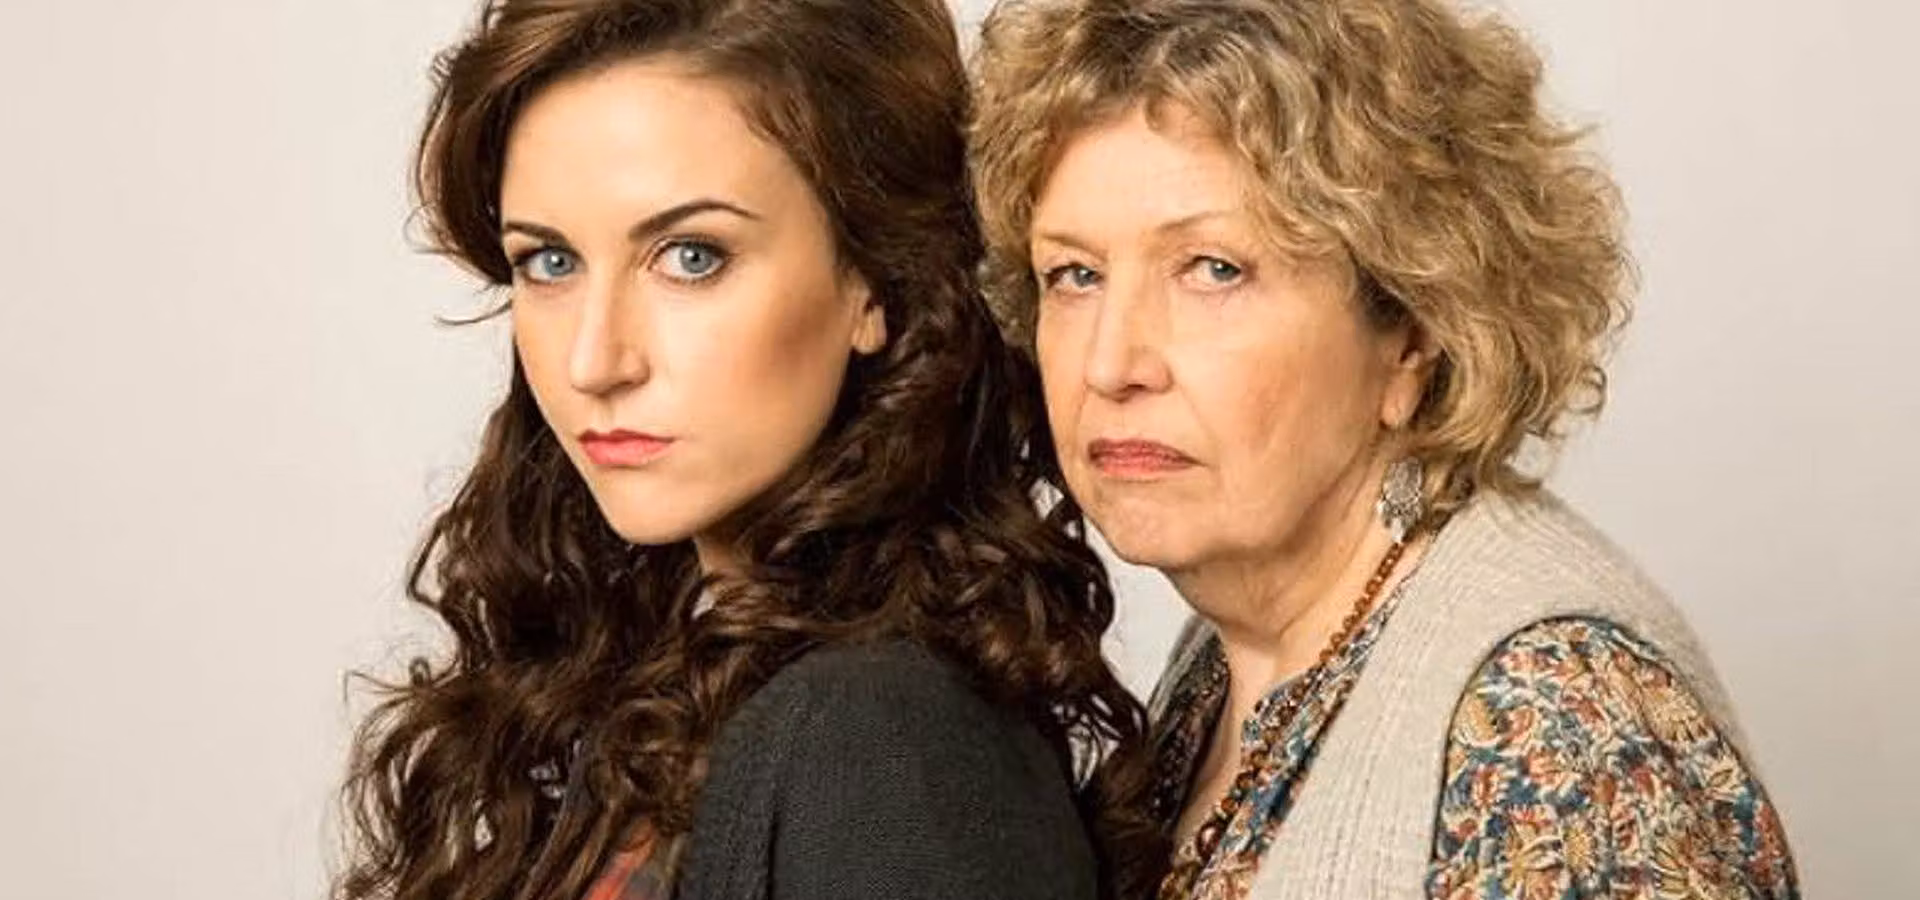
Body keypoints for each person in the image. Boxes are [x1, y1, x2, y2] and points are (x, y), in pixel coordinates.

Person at [968, 0, 1799, 897]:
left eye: (1213, 269)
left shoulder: (1553, 730)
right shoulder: (1230, 657)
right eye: (1075, 275)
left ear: (1411, 328)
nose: (1111, 364)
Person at [334, 2, 1158, 898]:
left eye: (691, 257)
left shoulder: (883, 744)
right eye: (550, 262)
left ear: (874, 283)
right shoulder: (672, 689)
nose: (594, 361)